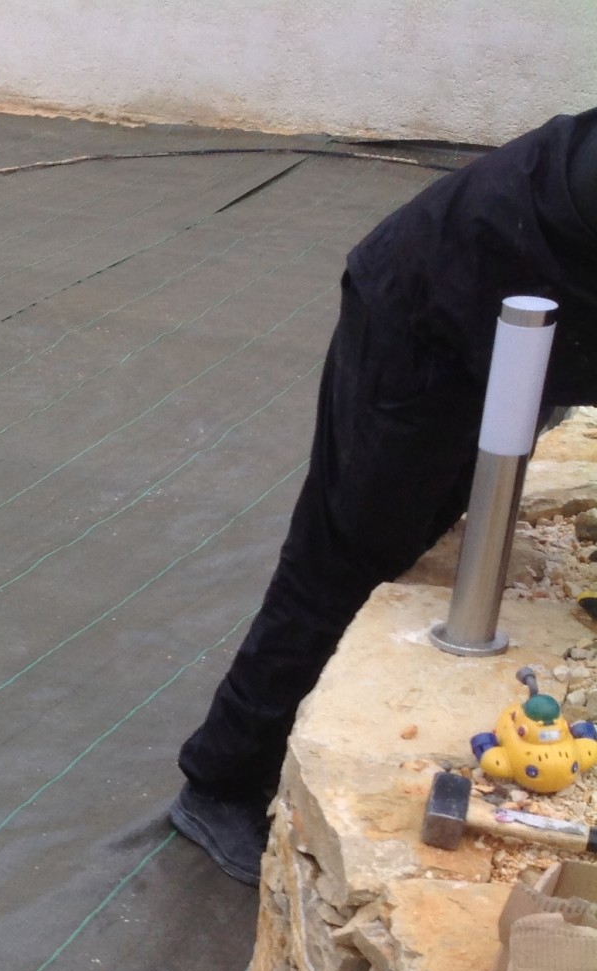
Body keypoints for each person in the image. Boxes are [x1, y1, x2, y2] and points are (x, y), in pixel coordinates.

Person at [170, 109, 597, 885]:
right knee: (346, 553)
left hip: (511, 333)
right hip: (421, 316)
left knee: (415, 529)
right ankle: (221, 780)